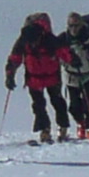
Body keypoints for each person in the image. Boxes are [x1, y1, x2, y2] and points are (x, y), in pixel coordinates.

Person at [5, 11, 70, 142]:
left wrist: (10, 74)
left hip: (38, 78)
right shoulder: (48, 38)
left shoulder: (27, 40)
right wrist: (10, 75)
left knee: (45, 104)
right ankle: (55, 128)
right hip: (46, 77)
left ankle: (51, 129)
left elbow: (15, 58)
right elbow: (65, 53)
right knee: (49, 103)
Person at [60, 10, 89, 138]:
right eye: (71, 26)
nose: (73, 29)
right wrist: (68, 61)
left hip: (87, 75)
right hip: (71, 76)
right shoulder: (63, 39)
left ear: (81, 25)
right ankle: (81, 123)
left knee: (88, 103)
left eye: (76, 25)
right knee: (73, 106)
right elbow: (58, 55)